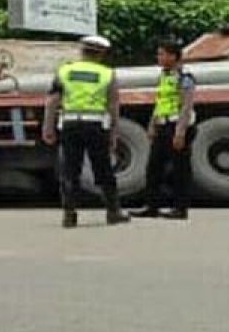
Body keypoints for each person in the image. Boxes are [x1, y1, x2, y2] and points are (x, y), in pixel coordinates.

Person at [42, 36, 131, 229]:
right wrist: (114, 132)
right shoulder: (107, 73)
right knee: (104, 169)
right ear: (101, 53)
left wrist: (47, 127)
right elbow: (113, 105)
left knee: (70, 170)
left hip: (70, 124)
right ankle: (113, 211)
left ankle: (69, 215)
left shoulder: (65, 71)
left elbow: (52, 101)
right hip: (95, 125)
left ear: (82, 51)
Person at [133, 39, 196, 220]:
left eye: (161, 54)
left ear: (173, 56)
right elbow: (160, 101)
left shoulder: (185, 77)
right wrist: (152, 124)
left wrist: (180, 132)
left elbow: (186, 106)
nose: (158, 57)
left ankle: (180, 208)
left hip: (177, 126)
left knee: (180, 170)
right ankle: (152, 206)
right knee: (153, 167)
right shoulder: (164, 75)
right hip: (162, 124)